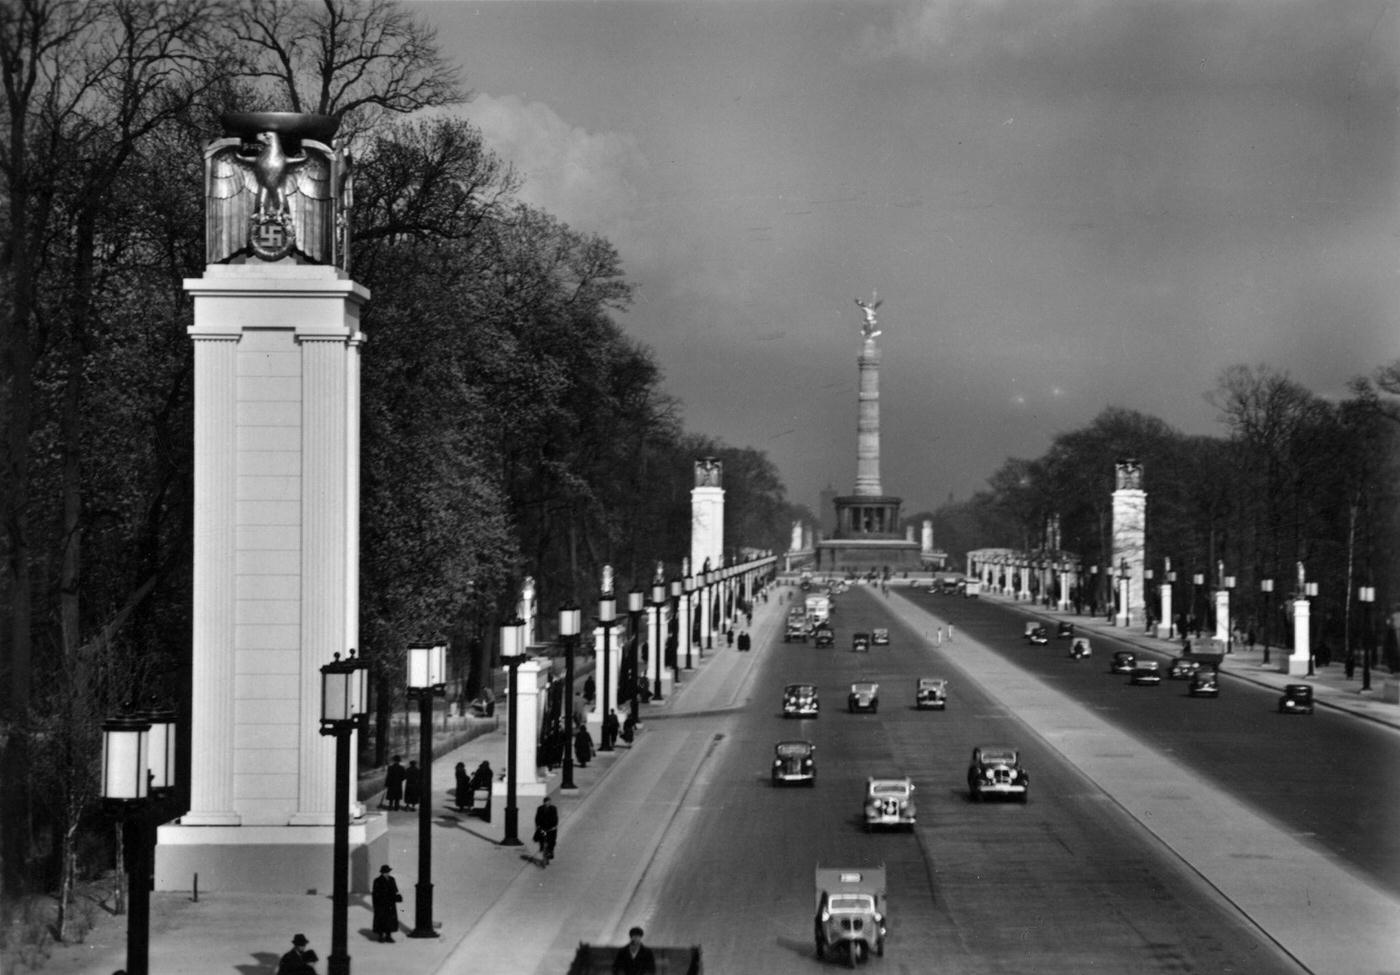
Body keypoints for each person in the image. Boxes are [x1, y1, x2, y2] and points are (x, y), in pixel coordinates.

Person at [371, 864, 401, 942]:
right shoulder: (377, 881)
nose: (387, 873)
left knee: (390, 920)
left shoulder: (392, 879)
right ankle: (381, 936)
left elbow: (395, 890)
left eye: (388, 872)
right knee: (381, 920)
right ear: (382, 873)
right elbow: (375, 894)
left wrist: (397, 897)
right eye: (385, 872)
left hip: (390, 903)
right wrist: (376, 904)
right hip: (381, 904)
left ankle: (388, 936)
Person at [534, 795, 559, 865]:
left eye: (549, 802)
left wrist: (555, 826)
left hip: (551, 828)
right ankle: (542, 847)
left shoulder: (553, 808)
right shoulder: (540, 808)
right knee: (542, 838)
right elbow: (537, 818)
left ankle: (551, 851)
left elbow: (556, 817)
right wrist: (537, 826)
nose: (547, 803)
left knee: (552, 841)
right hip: (543, 828)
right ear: (544, 802)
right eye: (546, 802)